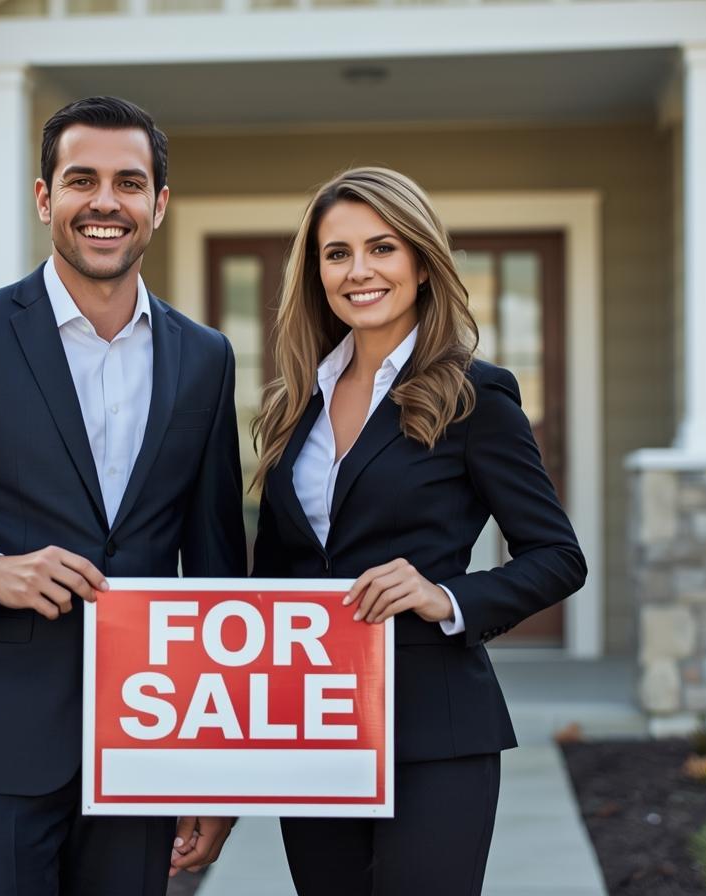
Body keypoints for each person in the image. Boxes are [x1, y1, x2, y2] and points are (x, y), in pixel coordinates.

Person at [0, 96, 245, 896]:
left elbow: (214, 572)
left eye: (129, 183)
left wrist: (214, 770)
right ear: (44, 198)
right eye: (81, 180)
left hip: (144, 739)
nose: (105, 202)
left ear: (158, 206)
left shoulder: (205, 358)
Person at [250, 167, 588, 895]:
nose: (358, 270)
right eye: (336, 253)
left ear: (422, 262)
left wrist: (447, 597)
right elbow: (273, 574)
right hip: (313, 724)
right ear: (315, 272)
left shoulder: (474, 393)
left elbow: (558, 557)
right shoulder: (293, 401)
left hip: (433, 723)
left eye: (383, 247)